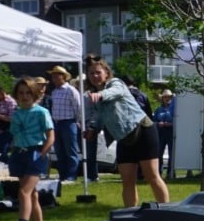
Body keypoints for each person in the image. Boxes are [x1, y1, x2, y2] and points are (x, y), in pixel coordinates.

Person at [84, 57, 169, 208]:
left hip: (143, 131)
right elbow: (100, 116)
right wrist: (93, 129)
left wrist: (101, 95)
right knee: (128, 181)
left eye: (98, 72)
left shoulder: (116, 83)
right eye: (91, 73)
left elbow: (113, 92)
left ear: (106, 73)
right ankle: (130, 214)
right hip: (124, 138)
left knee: (152, 176)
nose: (95, 76)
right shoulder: (94, 94)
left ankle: (167, 212)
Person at [4, 77, 54, 221]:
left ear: (34, 94)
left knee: (23, 192)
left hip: (36, 153)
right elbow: (15, 135)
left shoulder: (41, 112)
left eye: (28, 93)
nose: (24, 96)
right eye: (21, 93)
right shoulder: (16, 114)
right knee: (31, 194)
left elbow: (51, 136)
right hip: (19, 153)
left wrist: (41, 154)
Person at [44, 65, 82, 182]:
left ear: (64, 77)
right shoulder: (54, 92)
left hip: (68, 122)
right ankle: (63, 175)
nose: (54, 78)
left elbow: (78, 107)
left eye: (56, 76)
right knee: (60, 151)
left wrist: (76, 121)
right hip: (56, 123)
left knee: (70, 150)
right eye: (53, 76)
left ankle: (71, 175)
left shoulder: (71, 90)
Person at [0, 83, 17, 157]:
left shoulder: (10, 102)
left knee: (2, 153)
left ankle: (9, 164)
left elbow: (12, 118)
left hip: (6, 130)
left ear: (1, 92)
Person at [153, 88, 174, 178]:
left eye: (168, 97)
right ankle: (158, 172)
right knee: (159, 153)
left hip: (171, 131)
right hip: (161, 132)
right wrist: (158, 123)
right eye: (165, 97)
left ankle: (170, 172)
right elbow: (154, 121)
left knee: (171, 153)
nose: (167, 98)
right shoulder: (158, 109)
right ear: (162, 98)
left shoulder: (174, 109)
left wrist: (171, 124)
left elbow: (178, 120)